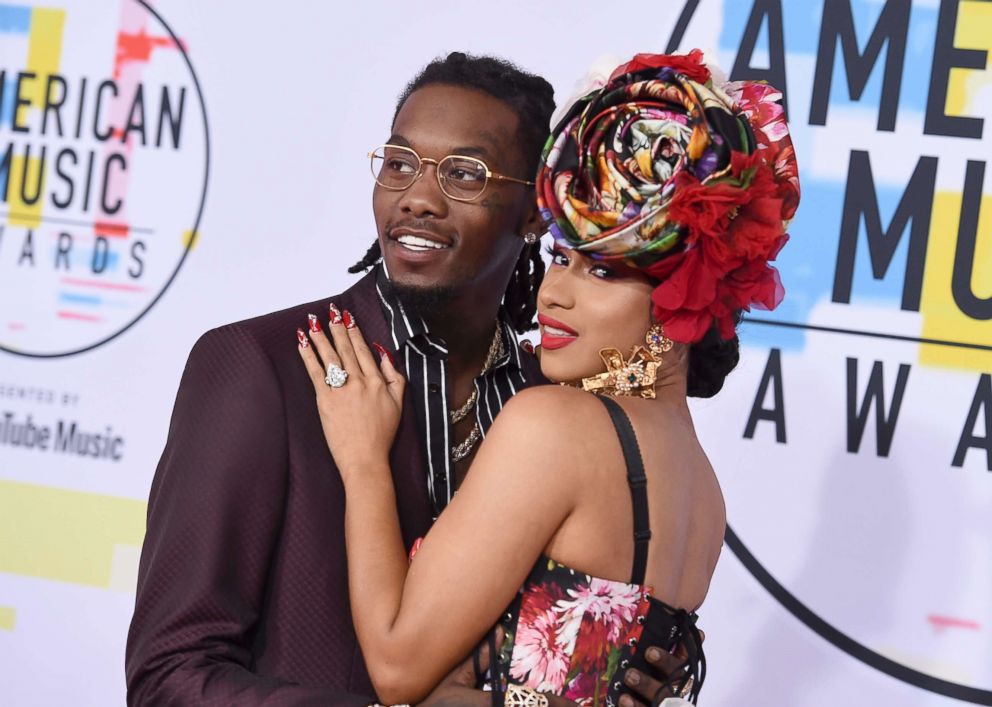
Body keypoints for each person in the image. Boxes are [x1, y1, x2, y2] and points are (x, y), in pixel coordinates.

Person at [125, 52, 680, 706]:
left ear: (535, 211)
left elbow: (522, 665)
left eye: (464, 173)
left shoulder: (555, 410)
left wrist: (602, 672)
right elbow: (168, 676)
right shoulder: (262, 367)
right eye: (399, 162)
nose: (417, 196)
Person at [295, 50, 800, 706]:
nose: (554, 293)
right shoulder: (701, 488)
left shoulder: (554, 426)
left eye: (600, 270)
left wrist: (364, 464)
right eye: (560, 256)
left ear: (683, 290)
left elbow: (396, 666)